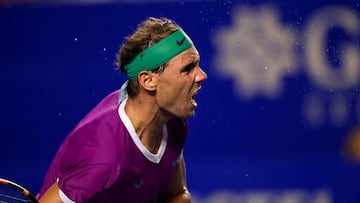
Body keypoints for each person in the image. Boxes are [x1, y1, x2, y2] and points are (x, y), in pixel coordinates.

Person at [37, 17, 207, 203]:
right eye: (188, 68)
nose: (201, 76)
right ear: (148, 81)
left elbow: (177, 194)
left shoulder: (174, 122)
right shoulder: (104, 157)